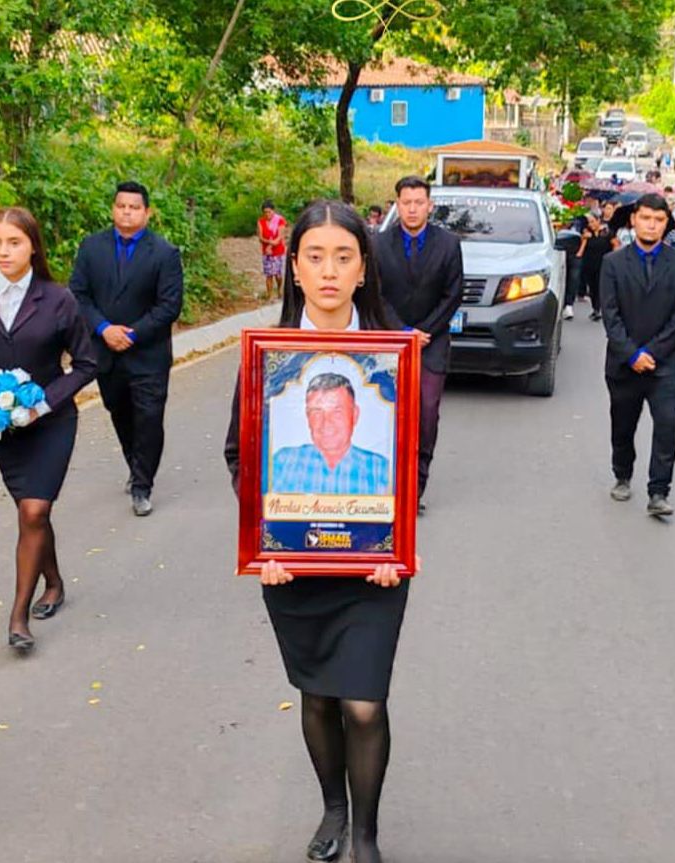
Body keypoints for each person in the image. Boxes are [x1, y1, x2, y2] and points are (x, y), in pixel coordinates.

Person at [225, 199, 416, 863]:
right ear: (295, 269)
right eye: (315, 256)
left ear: (364, 268)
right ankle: (332, 804)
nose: (329, 270)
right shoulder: (266, 355)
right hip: (292, 567)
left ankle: (365, 833)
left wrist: (396, 541)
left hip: (374, 570)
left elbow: (410, 457)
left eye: (344, 256)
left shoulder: (396, 355)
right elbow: (237, 456)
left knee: (362, 703)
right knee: (317, 697)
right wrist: (263, 542)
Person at [0, 207, 98, 651]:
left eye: (13, 243)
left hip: (51, 423)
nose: (4, 252)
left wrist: (43, 402)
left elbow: (87, 363)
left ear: (33, 246)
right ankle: (52, 580)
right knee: (32, 512)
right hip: (4, 427)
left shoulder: (58, 299)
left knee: (33, 512)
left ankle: (18, 616)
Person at [69, 181, 183, 516]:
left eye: (134, 207)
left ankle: (142, 485)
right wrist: (104, 329)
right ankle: (136, 463)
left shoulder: (164, 253)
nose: (127, 212)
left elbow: (169, 306)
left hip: (148, 355)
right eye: (121, 206)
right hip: (106, 353)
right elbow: (78, 294)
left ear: (147, 212)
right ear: (113, 209)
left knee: (149, 418)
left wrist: (131, 334)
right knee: (119, 412)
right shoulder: (91, 248)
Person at [598, 193, 675, 517]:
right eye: (646, 218)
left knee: (667, 426)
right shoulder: (613, 264)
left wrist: (651, 352)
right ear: (634, 220)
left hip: (663, 364)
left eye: (659, 219)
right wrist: (632, 354)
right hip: (623, 365)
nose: (651, 225)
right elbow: (610, 316)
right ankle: (622, 474)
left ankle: (658, 492)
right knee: (623, 425)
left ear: (666, 224)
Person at [373, 176, 464, 513]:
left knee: (426, 415)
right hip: (391, 341)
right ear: (397, 204)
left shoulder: (448, 244)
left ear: (429, 205)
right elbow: (376, 294)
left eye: (418, 202)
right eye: (405, 202)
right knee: (387, 415)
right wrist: (402, 330)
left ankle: (415, 489)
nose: (412, 209)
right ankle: (387, 488)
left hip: (432, 342)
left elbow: (453, 293)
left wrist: (423, 331)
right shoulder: (379, 244)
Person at [271, 373, 392, 496]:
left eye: (337, 412)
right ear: (307, 416)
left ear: (354, 415)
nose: (326, 423)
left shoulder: (381, 470)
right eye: (317, 412)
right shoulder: (283, 463)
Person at [578, 209, 614, 323]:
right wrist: (584, 239)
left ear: (598, 220)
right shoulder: (587, 233)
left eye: (593, 221)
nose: (591, 224)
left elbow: (616, 245)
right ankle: (595, 308)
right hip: (589, 264)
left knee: (601, 287)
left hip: (604, 265)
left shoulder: (607, 233)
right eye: (589, 222)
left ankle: (600, 309)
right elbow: (580, 252)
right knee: (593, 288)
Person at [259, 200, 289, 299]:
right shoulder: (261, 222)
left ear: (273, 211)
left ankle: (279, 289)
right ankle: (269, 294)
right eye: (265, 212)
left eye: (269, 212)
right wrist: (268, 243)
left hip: (278, 251)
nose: (267, 214)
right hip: (266, 252)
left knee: (278, 274)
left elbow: (279, 237)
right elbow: (260, 237)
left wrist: (270, 245)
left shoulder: (280, 221)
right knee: (268, 274)